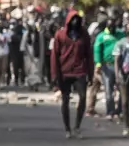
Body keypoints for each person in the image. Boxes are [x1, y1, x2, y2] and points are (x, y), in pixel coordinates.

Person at [50, 9, 94, 138]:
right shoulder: (60, 35)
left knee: (83, 97)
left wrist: (90, 74)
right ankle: (67, 128)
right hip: (65, 72)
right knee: (65, 100)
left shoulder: (84, 34)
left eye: (77, 19)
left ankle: (77, 126)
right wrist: (54, 75)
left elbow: (89, 55)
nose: (75, 21)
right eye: (72, 19)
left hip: (80, 71)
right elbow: (54, 56)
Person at [93, 20, 123, 119]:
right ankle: (110, 111)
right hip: (107, 66)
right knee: (108, 91)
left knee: (122, 90)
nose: (111, 29)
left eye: (113, 27)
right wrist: (98, 63)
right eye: (109, 27)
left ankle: (120, 110)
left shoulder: (120, 34)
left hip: (120, 66)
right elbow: (97, 50)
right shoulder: (101, 36)